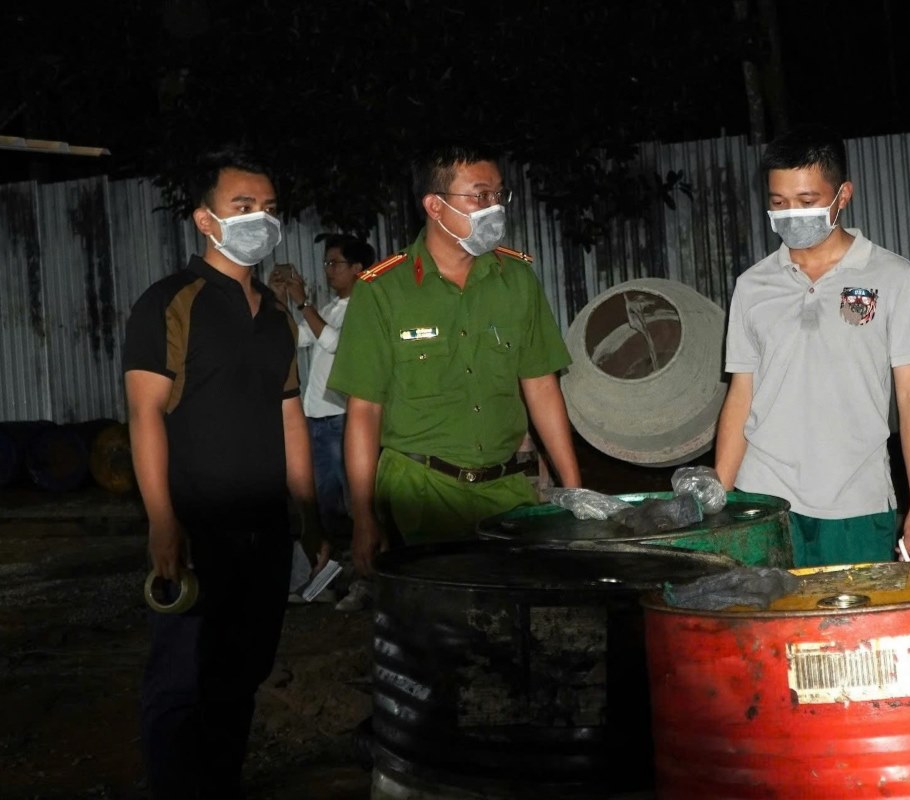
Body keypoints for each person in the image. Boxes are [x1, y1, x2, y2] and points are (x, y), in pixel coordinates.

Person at [123, 146, 327, 798]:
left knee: (243, 672)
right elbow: (145, 417)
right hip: (197, 531)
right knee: (184, 682)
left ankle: (218, 783)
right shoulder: (168, 305)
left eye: (268, 210)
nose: (260, 222)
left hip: (264, 534)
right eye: (243, 208)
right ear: (204, 220)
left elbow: (290, 416)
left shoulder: (273, 316)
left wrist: (309, 515)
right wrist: (163, 524)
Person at [329, 142, 582, 575]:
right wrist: (364, 516)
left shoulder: (516, 279)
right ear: (435, 205)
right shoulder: (382, 290)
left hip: (505, 491)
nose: (494, 208)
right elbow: (364, 410)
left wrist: (575, 489)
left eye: (499, 195)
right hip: (419, 492)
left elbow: (541, 385)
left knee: (508, 625)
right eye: (480, 195)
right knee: (436, 627)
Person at [714, 125, 910, 567]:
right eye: (779, 204)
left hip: (858, 499)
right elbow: (741, 394)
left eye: (806, 201)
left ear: (843, 195)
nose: (792, 215)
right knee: (769, 632)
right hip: (764, 500)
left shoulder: (892, 276)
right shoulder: (752, 285)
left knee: (853, 635)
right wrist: (719, 500)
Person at [268, 234, 376, 539]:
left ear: (357, 267)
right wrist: (280, 298)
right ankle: (336, 569)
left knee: (355, 503)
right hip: (317, 417)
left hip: (342, 417)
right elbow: (294, 338)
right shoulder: (330, 309)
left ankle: (363, 567)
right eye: (326, 263)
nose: (328, 270)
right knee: (324, 503)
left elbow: (333, 343)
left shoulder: (365, 306)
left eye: (335, 263)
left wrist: (303, 302)